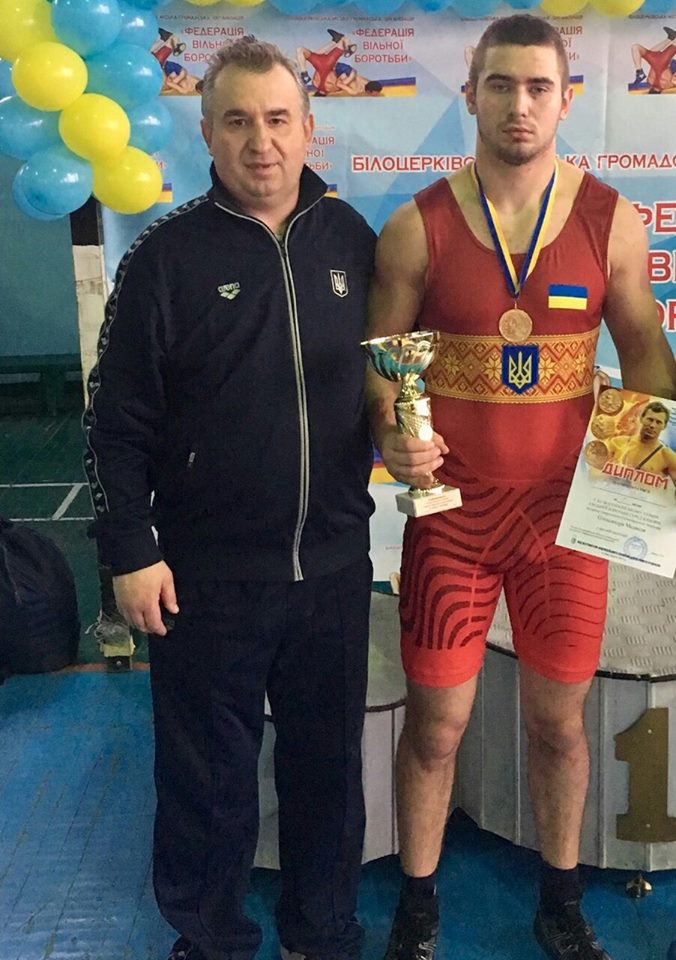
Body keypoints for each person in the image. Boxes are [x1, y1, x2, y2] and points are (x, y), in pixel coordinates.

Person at [366, 14, 676, 960]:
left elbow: (647, 355)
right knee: (437, 727)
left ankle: (560, 902)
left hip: (562, 524)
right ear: (470, 94)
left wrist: (628, 483)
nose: (519, 104)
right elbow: (382, 367)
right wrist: (392, 435)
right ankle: (418, 908)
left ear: (565, 99)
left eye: (539, 87)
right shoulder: (414, 225)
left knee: (559, 726)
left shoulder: (610, 220)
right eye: (500, 84)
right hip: (452, 522)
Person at [83, 38, 377, 960]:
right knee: (206, 783)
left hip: (333, 567)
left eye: (278, 120)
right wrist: (131, 550)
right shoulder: (164, 257)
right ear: (206, 133)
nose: (262, 142)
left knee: (329, 774)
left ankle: (321, 933)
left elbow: (390, 381)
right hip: (207, 576)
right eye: (239, 122)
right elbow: (114, 420)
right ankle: (209, 940)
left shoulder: (352, 239)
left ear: (309, 127)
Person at [607, 401, 676, 482]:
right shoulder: (617, 442)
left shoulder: (667, 456)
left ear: (664, 426)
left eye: (658, 422)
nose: (652, 425)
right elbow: (596, 471)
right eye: (650, 419)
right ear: (641, 419)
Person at [297, 31, 358, 96]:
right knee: (300, 50)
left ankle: (342, 44)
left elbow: (341, 83)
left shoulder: (332, 89)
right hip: (320, 63)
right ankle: (304, 74)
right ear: (316, 92)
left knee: (343, 40)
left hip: (328, 63)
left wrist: (347, 79)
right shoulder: (315, 85)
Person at [631, 27, 676, 93]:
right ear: (651, 89)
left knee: (652, 51)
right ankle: (639, 71)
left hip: (663, 62)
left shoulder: (667, 86)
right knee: (635, 47)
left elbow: (673, 79)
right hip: (657, 61)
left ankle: (670, 38)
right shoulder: (650, 82)